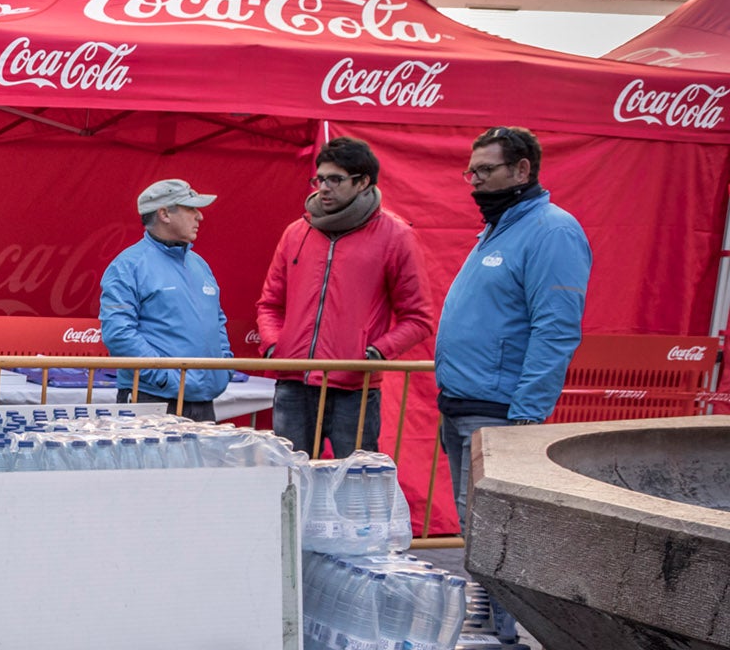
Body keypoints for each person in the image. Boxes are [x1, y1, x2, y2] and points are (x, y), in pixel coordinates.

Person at [434, 126, 592, 522]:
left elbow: (556, 331)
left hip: (499, 412)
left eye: (486, 170)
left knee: (489, 532)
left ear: (522, 170)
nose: (476, 182)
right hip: (463, 404)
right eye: (471, 173)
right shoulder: (499, 228)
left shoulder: (552, 231)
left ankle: (492, 590)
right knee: (476, 527)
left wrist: (525, 416)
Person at [255, 137, 435, 457]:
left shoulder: (396, 236)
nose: (324, 187)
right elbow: (269, 303)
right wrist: (274, 346)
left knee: (355, 485)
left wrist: (372, 355)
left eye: (335, 179)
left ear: (363, 182)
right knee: (290, 484)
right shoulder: (296, 232)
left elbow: (418, 318)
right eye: (320, 178)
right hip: (294, 383)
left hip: (355, 389)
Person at [100, 179, 233, 421]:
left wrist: (224, 367)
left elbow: (218, 321)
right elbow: (118, 333)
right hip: (152, 398)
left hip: (201, 398)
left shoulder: (199, 264)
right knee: (152, 462)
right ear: (164, 214)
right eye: (190, 208)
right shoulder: (128, 265)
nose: (199, 216)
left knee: (203, 461)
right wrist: (164, 377)